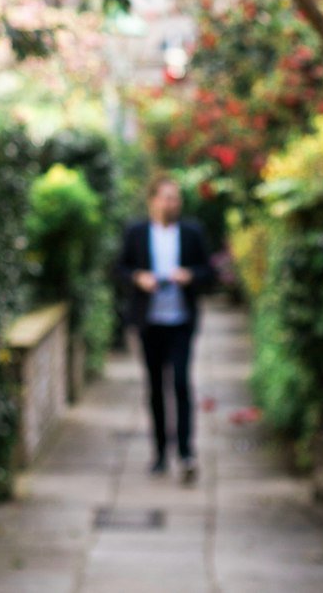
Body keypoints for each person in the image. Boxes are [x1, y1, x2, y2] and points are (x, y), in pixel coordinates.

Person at [117, 172, 210, 481]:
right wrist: (138, 278)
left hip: (181, 321)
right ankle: (159, 454)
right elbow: (119, 268)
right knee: (156, 387)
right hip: (149, 322)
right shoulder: (137, 232)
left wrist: (190, 276)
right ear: (153, 200)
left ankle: (185, 452)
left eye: (176, 198)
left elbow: (209, 271)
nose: (173, 203)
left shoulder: (192, 232)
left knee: (181, 384)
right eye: (167, 197)